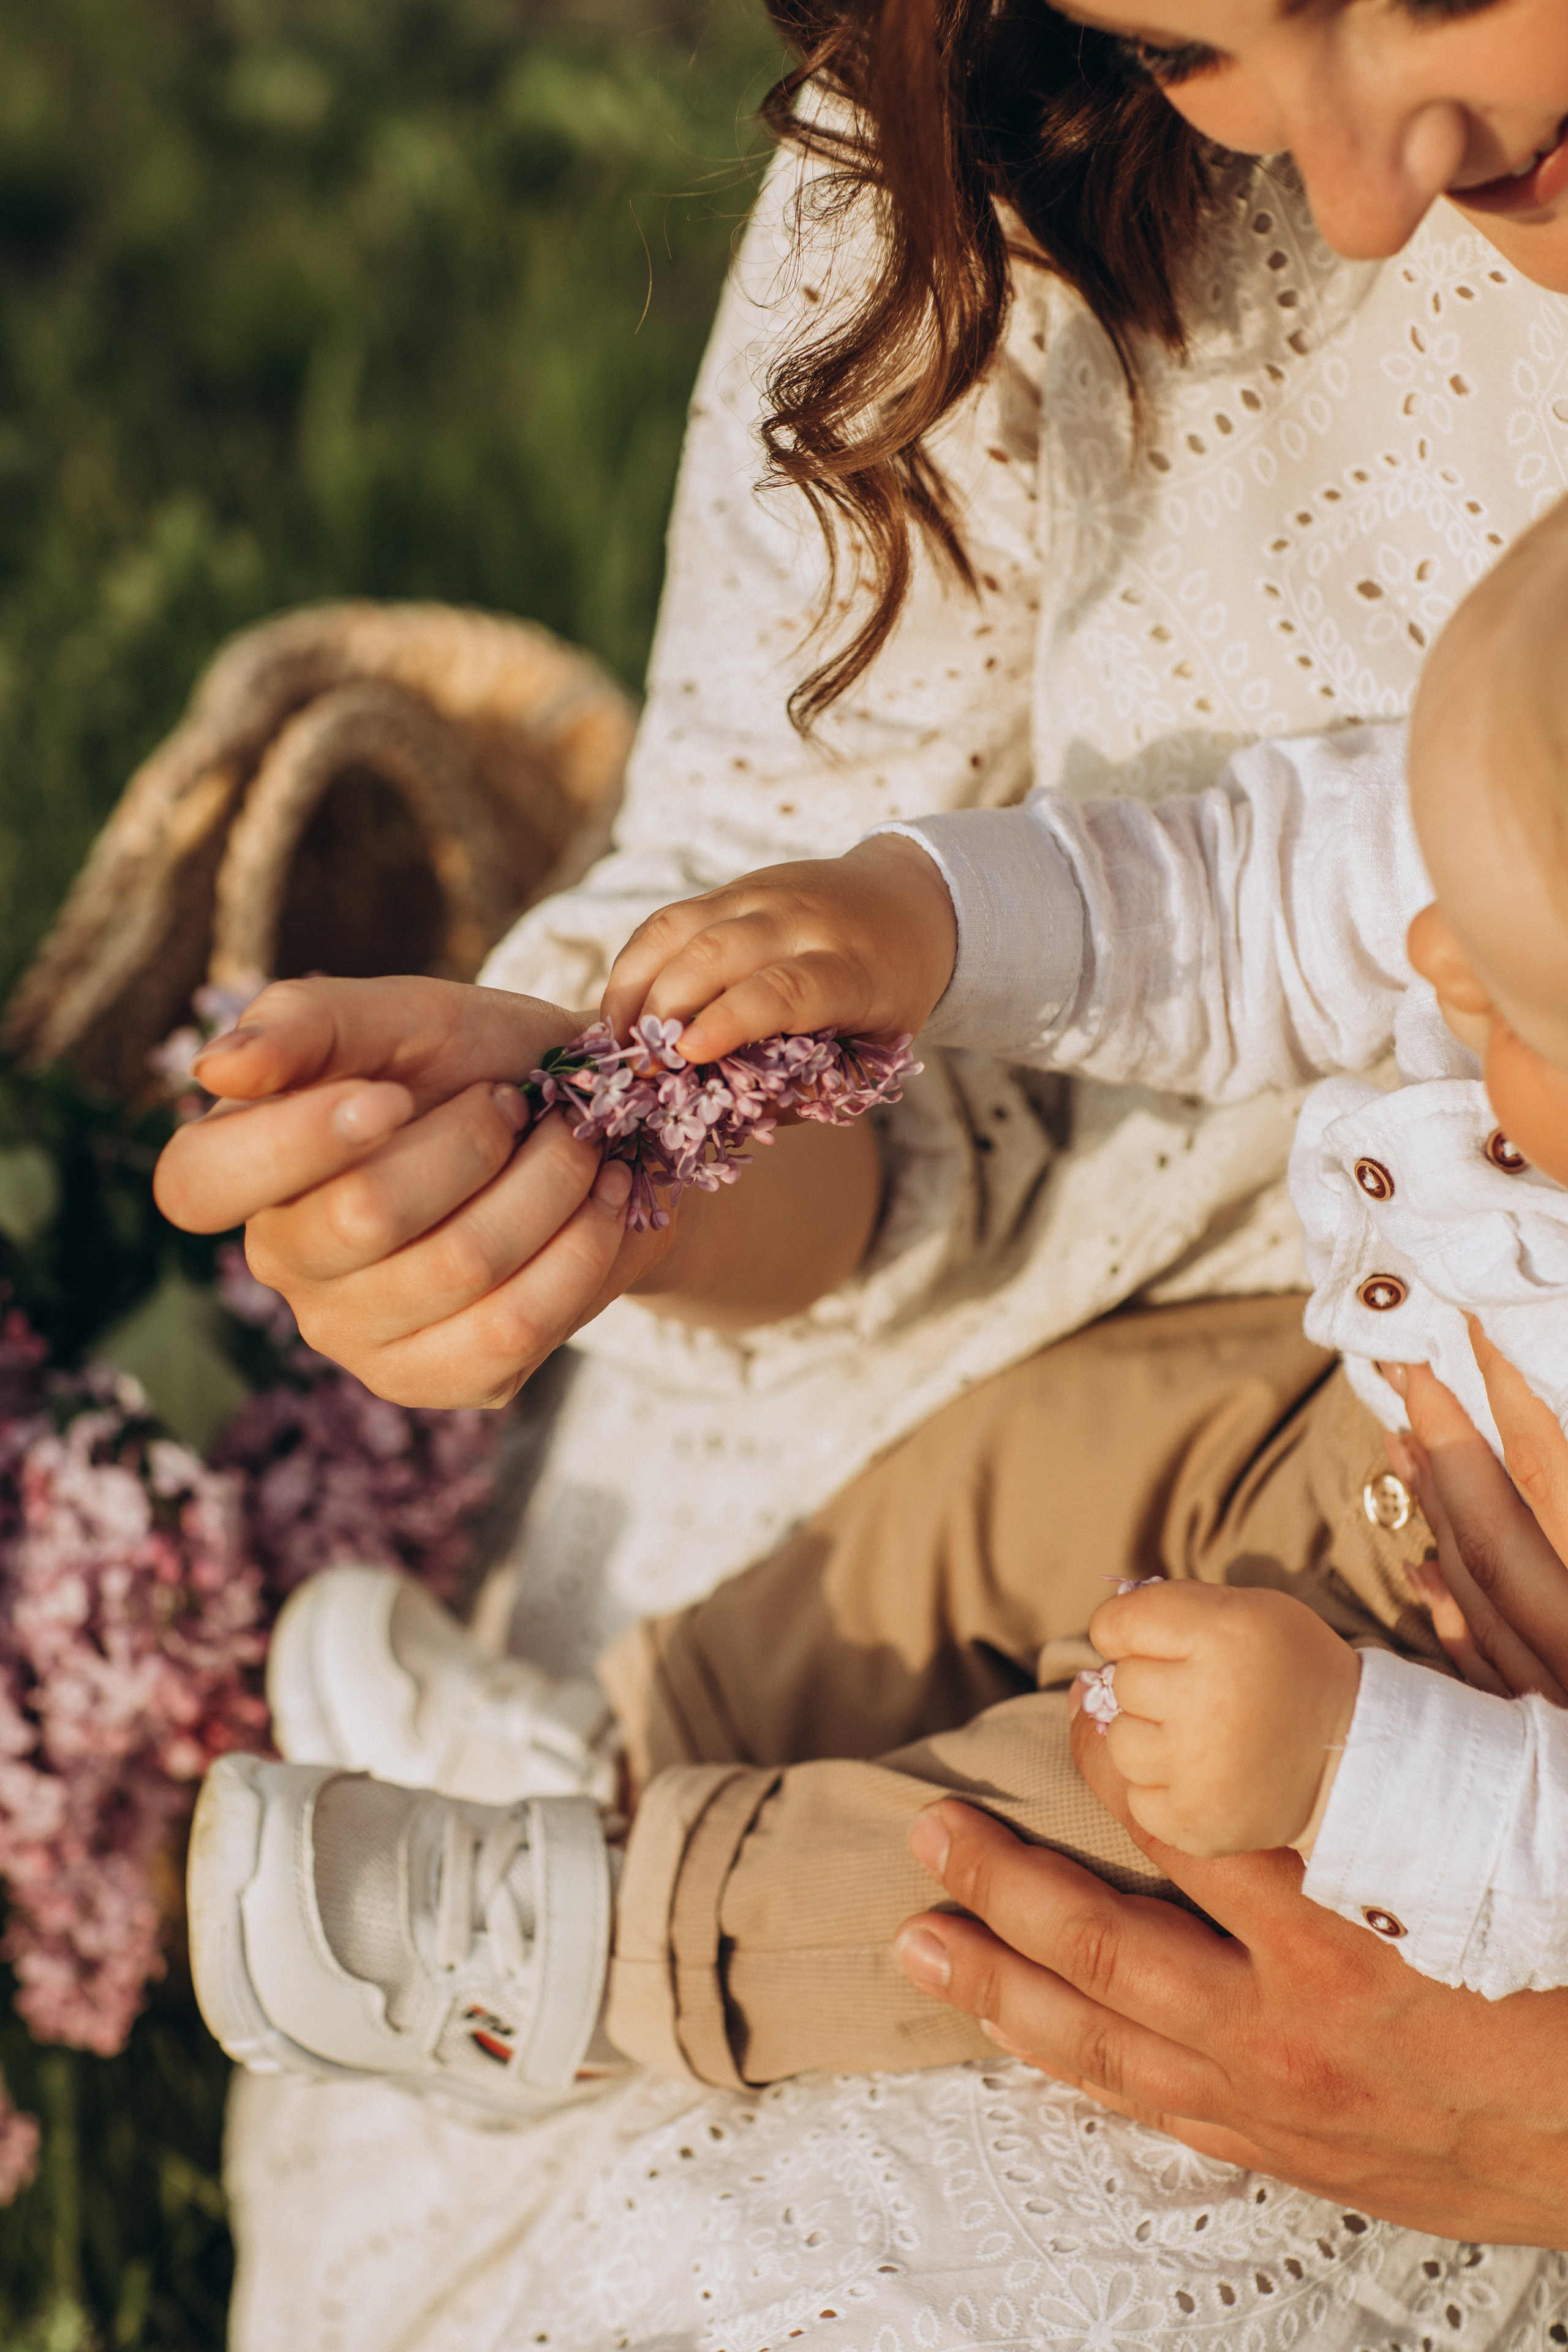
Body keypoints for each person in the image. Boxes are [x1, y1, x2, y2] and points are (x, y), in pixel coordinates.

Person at [158, 0, 1568, 2338]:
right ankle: (626, 1740)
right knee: (975, 1505)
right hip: (1289, 1355)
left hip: (1467, 1737)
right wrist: (775, 1018)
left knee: (1099, 1828)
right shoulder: (1000, 148)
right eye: (1197, 50)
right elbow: (1259, 883)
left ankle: (628, 1929)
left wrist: (1390, 1818)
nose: (1355, 192)